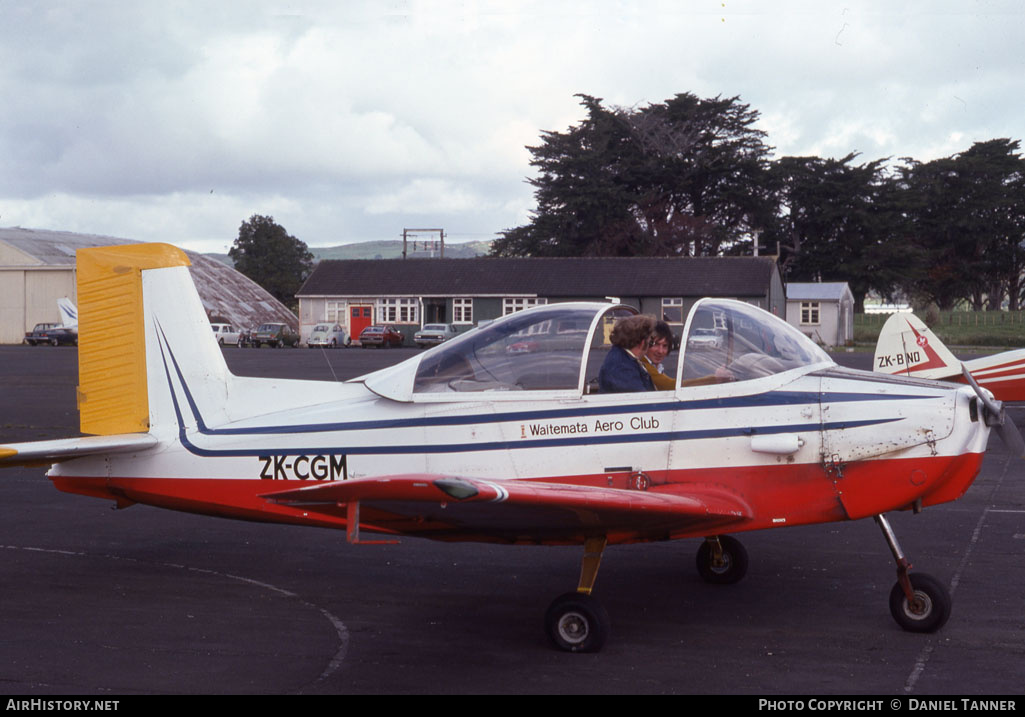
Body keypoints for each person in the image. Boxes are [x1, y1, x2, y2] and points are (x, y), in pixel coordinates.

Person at [597, 315, 656, 393]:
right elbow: (641, 400)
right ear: (642, 343)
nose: (650, 346)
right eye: (650, 342)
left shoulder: (622, 357)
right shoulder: (622, 367)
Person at [641, 321, 677, 391]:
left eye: (665, 346)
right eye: (656, 344)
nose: (660, 351)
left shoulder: (657, 368)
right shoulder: (643, 365)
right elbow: (670, 385)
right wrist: (704, 381)